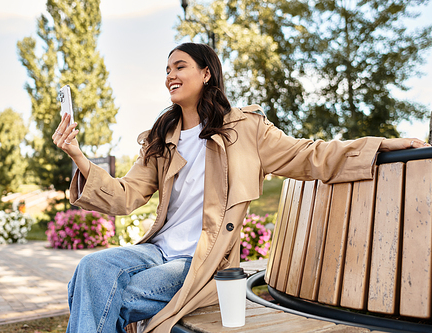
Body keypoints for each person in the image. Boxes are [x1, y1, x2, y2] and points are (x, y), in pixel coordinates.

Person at [52, 42, 429, 333]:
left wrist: (378, 145)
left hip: (200, 262)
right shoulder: (161, 138)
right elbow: (123, 196)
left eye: (179, 66)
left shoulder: (245, 130)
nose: (170, 75)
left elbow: (309, 155)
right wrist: (79, 156)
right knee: (91, 269)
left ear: (206, 74)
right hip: (157, 251)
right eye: (167, 69)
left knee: (97, 293)